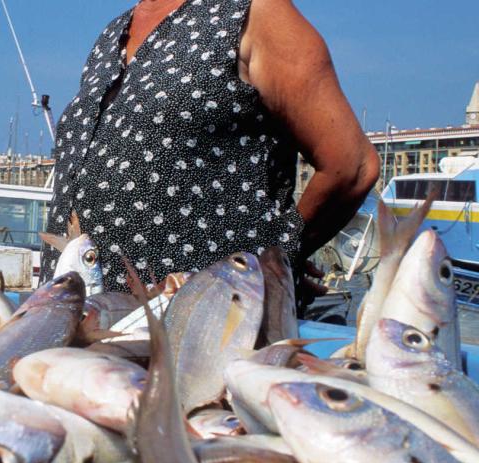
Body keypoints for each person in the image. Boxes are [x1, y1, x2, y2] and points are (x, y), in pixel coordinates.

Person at [40, 0, 379, 293]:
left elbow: (352, 166)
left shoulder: (253, 14)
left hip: (201, 331)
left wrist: (275, 261)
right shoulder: (112, 35)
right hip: (80, 325)